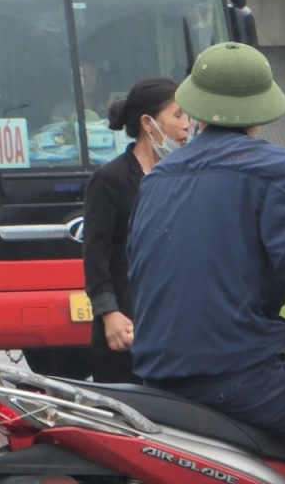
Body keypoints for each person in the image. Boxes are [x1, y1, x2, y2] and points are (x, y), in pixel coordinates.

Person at [127, 42, 285, 440]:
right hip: (236, 379)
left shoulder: (160, 177)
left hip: (158, 379)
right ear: (263, 107)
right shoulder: (270, 168)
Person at [82, 77, 191, 383]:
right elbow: (96, 253)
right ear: (148, 123)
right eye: (178, 115)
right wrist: (109, 313)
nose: (187, 126)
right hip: (127, 327)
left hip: (176, 327)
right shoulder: (110, 179)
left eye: (188, 117)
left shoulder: (184, 176)